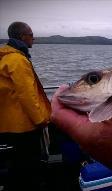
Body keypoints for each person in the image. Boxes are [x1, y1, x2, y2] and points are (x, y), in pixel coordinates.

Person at [0, 22, 51, 190]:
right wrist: (41, 120)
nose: (33, 38)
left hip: (9, 122)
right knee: (27, 166)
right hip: (23, 126)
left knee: (16, 164)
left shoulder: (7, 57)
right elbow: (27, 95)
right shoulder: (18, 60)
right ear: (22, 37)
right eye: (31, 34)